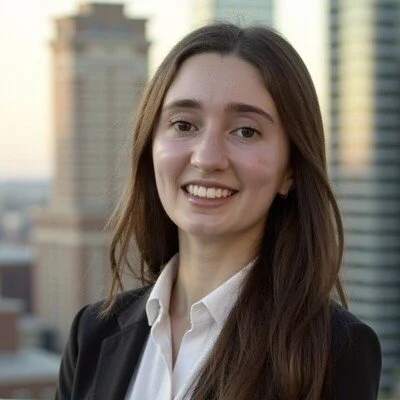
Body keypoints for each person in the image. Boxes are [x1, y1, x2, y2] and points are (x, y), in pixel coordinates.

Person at [56, 23, 382, 400]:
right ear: (150, 147)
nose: (207, 158)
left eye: (245, 131)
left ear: (290, 169)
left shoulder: (337, 352)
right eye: (184, 124)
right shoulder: (93, 334)